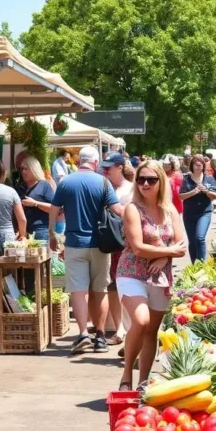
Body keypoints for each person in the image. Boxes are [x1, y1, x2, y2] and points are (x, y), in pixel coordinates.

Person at [117, 161, 187, 390]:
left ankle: (143, 382)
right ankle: (127, 374)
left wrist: (164, 258)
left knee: (151, 331)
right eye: (141, 179)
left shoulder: (169, 210)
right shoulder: (132, 209)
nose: (145, 184)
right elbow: (137, 247)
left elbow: (181, 243)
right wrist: (168, 252)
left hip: (160, 276)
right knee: (141, 320)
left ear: (161, 181)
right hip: (132, 272)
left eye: (151, 179)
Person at [49, 145, 124, 354]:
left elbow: (54, 209)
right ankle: (100, 336)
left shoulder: (65, 182)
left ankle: (82, 333)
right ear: (96, 163)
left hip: (74, 244)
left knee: (79, 291)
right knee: (100, 290)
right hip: (100, 245)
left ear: (78, 160)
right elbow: (117, 210)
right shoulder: (103, 182)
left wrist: (52, 234)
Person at [102, 152, 133, 346]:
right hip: (107, 242)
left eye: (109, 167)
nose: (105, 170)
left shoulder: (130, 189)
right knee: (111, 285)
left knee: (126, 284)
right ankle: (118, 328)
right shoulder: (102, 186)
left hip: (125, 243)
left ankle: (129, 328)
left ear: (119, 168)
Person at [179, 155, 216, 263]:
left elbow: (214, 196)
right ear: (191, 166)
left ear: (203, 166)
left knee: (199, 238)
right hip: (189, 214)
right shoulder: (186, 178)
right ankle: (194, 265)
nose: (197, 167)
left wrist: (206, 191)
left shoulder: (209, 178)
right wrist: (194, 191)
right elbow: (181, 196)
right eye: (195, 165)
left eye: (200, 165)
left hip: (204, 212)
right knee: (192, 241)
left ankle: (201, 264)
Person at [16, 156, 55, 241]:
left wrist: (35, 203)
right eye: (22, 169)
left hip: (40, 230)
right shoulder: (20, 187)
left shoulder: (44, 185)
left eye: (26, 169)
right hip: (23, 232)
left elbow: (54, 208)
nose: (23, 172)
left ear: (34, 169)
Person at [0, 159, 26, 242]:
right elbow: (22, 219)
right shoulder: (11, 192)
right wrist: (22, 235)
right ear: (3, 174)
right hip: (7, 236)